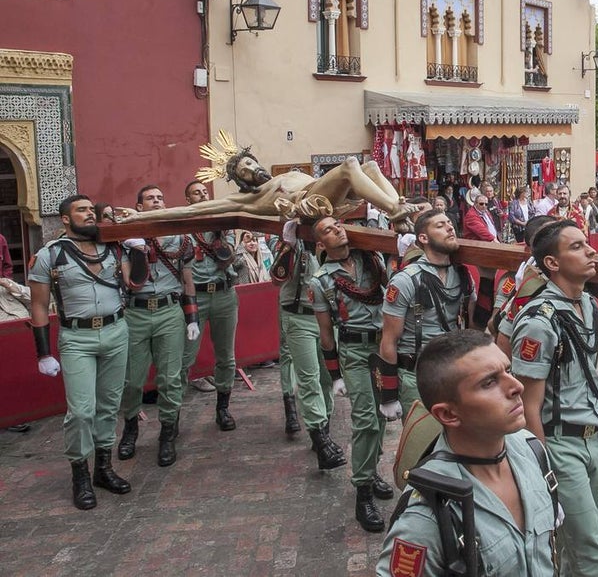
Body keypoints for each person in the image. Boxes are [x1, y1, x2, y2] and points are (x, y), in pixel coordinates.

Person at [377, 330, 558, 576]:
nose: (517, 386)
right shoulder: (427, 518)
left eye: (508, 371)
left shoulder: (531, 449)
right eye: (489, 382)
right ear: (449, 414)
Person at [511, 220, 598, 576]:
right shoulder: (539, 321)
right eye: (576, 246)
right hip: (560, 444)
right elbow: (528, 404)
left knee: (580, 546)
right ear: (552, 264)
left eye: (587, 243)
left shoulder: (588, 304)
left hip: (594, 438)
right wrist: (542, 473)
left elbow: (587, 370)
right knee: (593, 555)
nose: (590, 250)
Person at [28, 195, 133, 509]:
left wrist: (136, 249)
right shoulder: (50, 255)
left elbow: (134, 282)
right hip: (77, 338)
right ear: (64, 218)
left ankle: (103, 468)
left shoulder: (113, 248)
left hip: (116, 331)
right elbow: (38, 305)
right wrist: (43, 352)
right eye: (81, 210)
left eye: (91, 209)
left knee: (109, 405)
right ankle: (80, 475)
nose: (89, 214)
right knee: (81, 411)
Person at [115, 130, 421, 230]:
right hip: (310, 201)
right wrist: (141, 217)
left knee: (368, 167)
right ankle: (395, 211)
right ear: (241, 181)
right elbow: (192, 211)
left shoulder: (284, 174)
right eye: (243, 171)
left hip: (323, 194)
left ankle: (398, 205)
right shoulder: (246, 199)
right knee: (352, 164)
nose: (250, 169)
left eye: (250, 163)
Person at [310, 215, 395, 532]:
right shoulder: (320, 281)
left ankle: (370, 467)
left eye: (339, 225)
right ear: (320, 244)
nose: (337, 230)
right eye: (327, 229)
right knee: (366, 419)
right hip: (354, 352)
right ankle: (363, 494)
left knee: (383, 414)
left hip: (383, 348)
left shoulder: (373, 260)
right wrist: (335, 376)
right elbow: (326, 334)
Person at [116, 185, 197, 467]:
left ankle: (167, 432)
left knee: (170, 377)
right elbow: (129, 280)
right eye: (150, 198)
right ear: (139, 207)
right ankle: (130, 428)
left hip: (169, 311)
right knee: (132, 379)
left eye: (161, 197)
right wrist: (137, 247)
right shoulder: (125, 239)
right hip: (136, 313)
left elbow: (187, 278)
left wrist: (192, 317)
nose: (157, 201)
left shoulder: (180, 238)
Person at [380, 209, 473, 420]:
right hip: (416, 373)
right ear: (423, 238)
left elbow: (475, 325)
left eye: (449, 222)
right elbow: (389, 340)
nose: (450, 227)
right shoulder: (405, 280)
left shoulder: (462, 276)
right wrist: (389, 394)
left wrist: (487, 278)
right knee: (422, 445)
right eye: (440, 226)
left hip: (452, 370)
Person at [272, 219, 344, 469]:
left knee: (327, 377)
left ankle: (324, 429)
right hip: (298, 316)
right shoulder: (291, 240)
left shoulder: (335, 240)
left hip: (327, 319)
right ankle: (321, 441)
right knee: (309, 378)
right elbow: (277, 277)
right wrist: (289, 244)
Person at [178, 180, 241, 431]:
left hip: (224, 295)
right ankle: (173, 414)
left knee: (226, 356)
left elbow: (233, 257)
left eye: (205, 192)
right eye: (196, 193)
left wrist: (222, 239)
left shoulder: (222, 225)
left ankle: (223, 408)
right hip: (195, 298)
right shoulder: (182, 228)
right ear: (188, 201)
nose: (202, 195)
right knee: (185, 357)